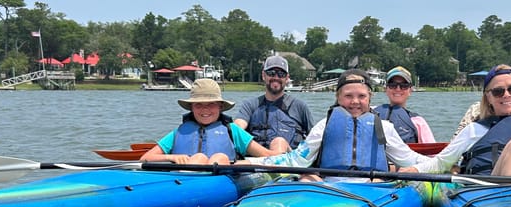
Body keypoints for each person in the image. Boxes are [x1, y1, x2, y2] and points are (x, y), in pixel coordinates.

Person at [248, 69, 428, 181]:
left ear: (370, 97)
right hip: (330, 190)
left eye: (362, 96)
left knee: (380, 179)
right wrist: (248, 162)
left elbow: (411, 160)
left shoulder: (384, 128)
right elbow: (295, 160)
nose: (355, 102)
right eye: (348, 96)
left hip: (372, 189)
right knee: (306, 177)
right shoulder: (324, 126)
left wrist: (442, 164)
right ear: (338, 98)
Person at [140, 79, 275, 165]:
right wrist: (172, 157)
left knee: (219, 157)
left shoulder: (232, 130)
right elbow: (146, 158)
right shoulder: (178, 133)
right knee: (198, 158)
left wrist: (289, 157)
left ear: (220, 107)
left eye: (211, 104)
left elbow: (266, 155)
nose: (205, 109)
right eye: (198, 104)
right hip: (183, 178)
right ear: (191, 107)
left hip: (221, 180)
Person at [233, 55, 314, 155]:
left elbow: (314, 140)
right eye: (271, 73)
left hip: (290, 163)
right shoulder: (250, 105)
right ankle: (269, 157)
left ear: (287, 78)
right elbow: (237, 128)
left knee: (279, 142)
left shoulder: (300, 107)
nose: (276, 77)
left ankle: (273, 159)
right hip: (255, 161)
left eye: (281, 74)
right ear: (263, 75)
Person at [372, 66, 436, 143]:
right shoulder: (371, 115)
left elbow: (431, 152)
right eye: (393, 85)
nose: (398, 89)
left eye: (404, 86)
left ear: (410, 90)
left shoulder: (418, 122)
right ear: (386, 89)